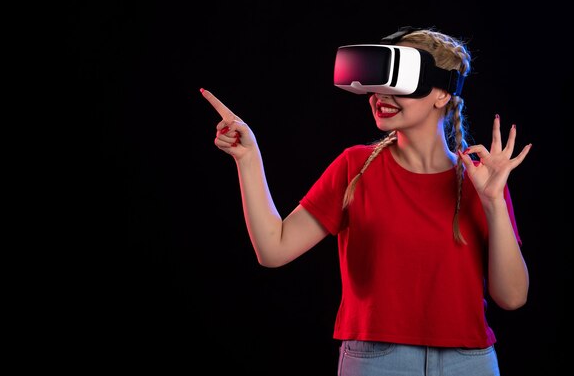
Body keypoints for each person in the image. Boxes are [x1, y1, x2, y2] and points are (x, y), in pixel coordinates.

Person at [199, 26, 531, 375]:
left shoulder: (482, 179)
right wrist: (248, 159)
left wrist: (493, 202)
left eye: (397, 84)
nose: (379, 97)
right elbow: (273, 248)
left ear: (441, 94)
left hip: (470, 362)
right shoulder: (355, 168)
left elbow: (512, 297)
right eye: (376, 86)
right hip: (377, 360)